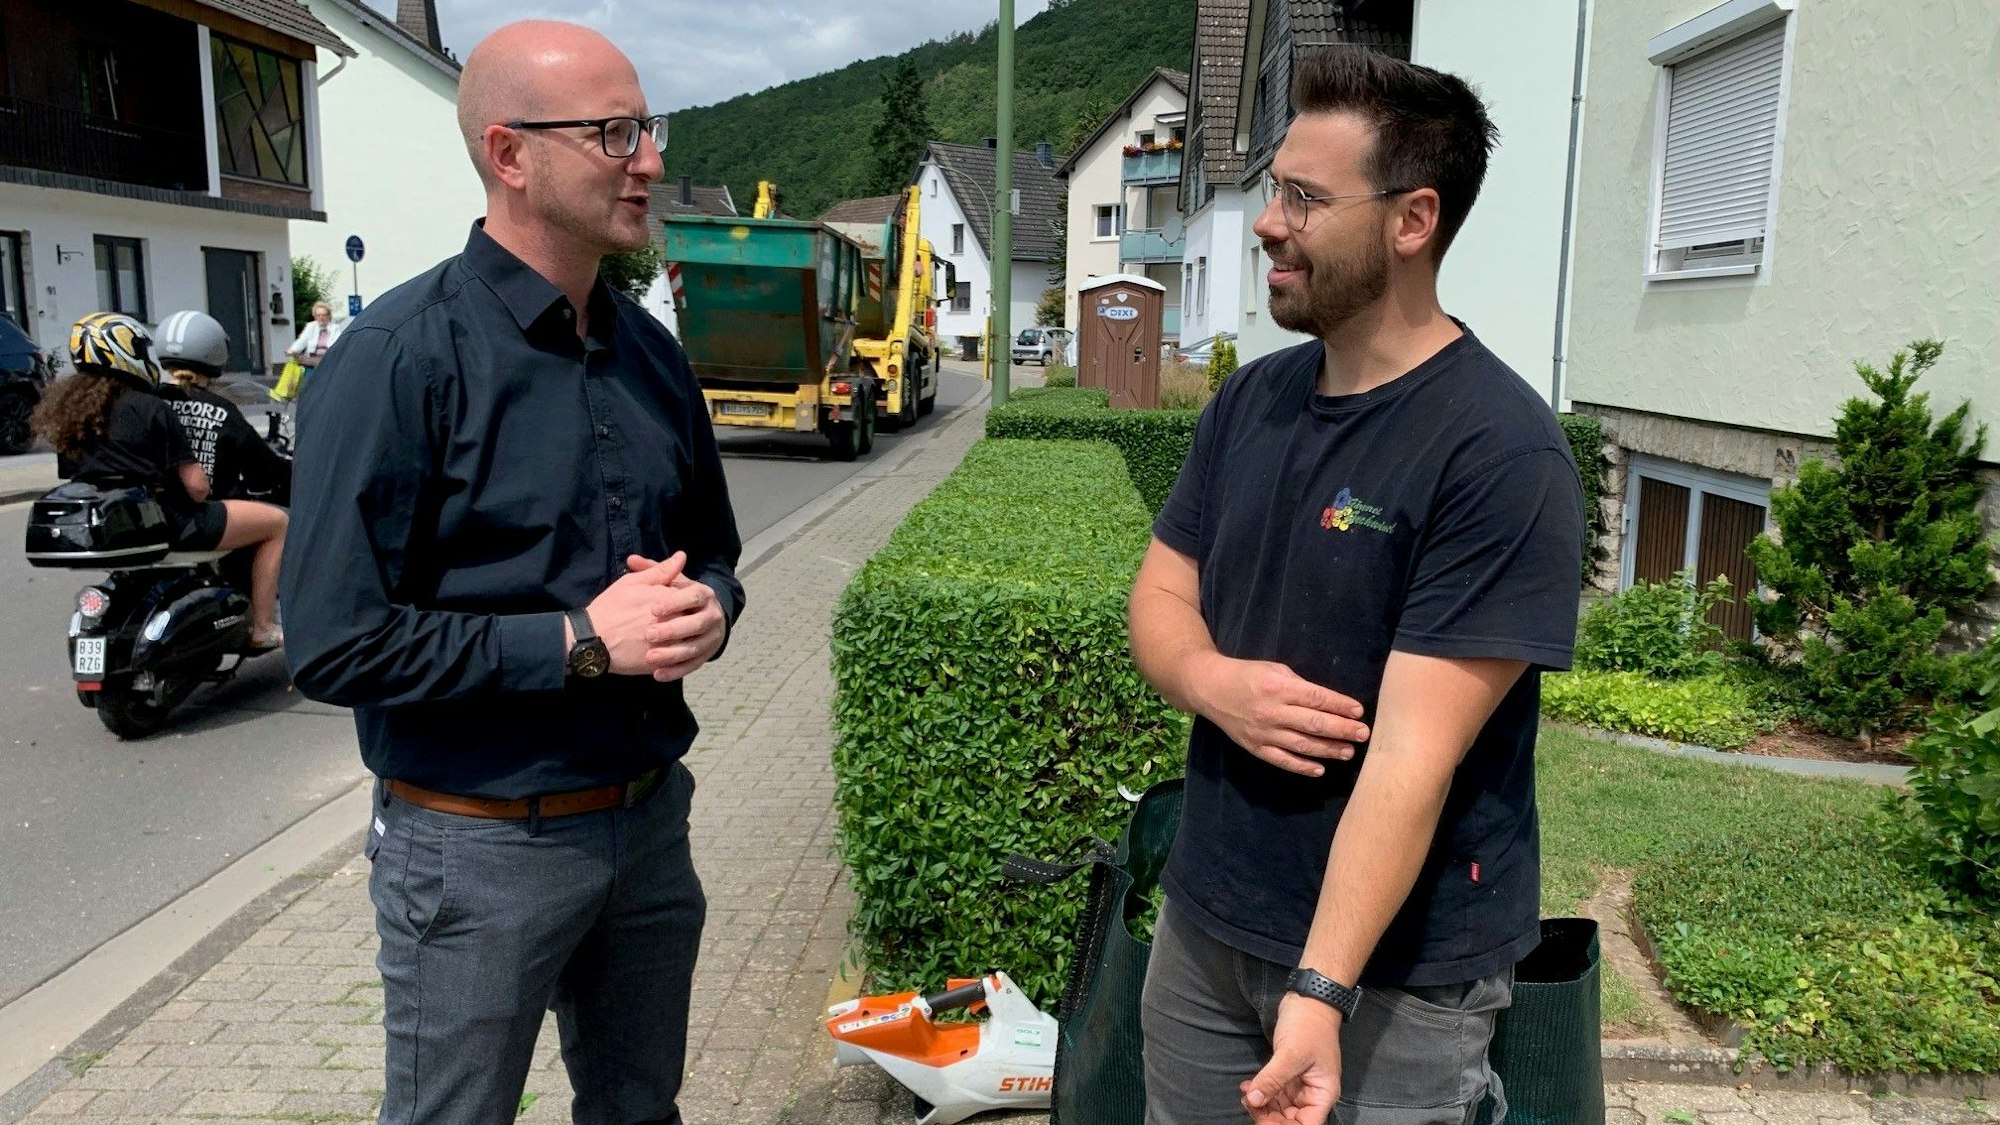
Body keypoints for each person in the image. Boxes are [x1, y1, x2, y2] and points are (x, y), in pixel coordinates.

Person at [279, 19, 741, 1125]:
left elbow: (716, 552)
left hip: (645, 823)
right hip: (475, 847)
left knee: (640, 1112)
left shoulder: (650, 353)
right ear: (509, 153)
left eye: (649, 127)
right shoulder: (399, 357)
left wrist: (706, 611)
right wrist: (580, 640)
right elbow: (333, 640)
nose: (650, 160)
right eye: (615, 132)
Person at [1127, 48, 1586, 1125]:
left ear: (1410, 221)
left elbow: (1412, 757)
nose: (1264, 223)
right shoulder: (1251, 400)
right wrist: (1209, 681)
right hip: (1206, 925)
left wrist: (1320, 987)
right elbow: (1158, 596)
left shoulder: (1497, 453)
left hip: (1397, 981)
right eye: (1270, 189)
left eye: (1300, 196)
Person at [33, 312, 287, 647]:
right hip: (172, 520)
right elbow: (196, 487)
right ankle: (263, 628)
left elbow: (74, 476)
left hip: (120, 527)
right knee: (278, 522)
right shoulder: (149, 407)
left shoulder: (74, 416)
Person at [154, 310, 292, 502]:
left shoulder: (147, 402)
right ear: (216, 350)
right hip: (214, 517)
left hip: (157, 512)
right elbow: (265, 471)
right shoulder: (222, 410)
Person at [286, 302, 342, 369]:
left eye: (324, 315)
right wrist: (293, 349)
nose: (321, 318)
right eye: (318, 315)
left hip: (329, 359)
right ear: (315, 316)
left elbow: (338, 343)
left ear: (329, 316)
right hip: (312, 359)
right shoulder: (311, 326)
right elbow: (302, 340)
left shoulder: (335, 328)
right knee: (299, 360)